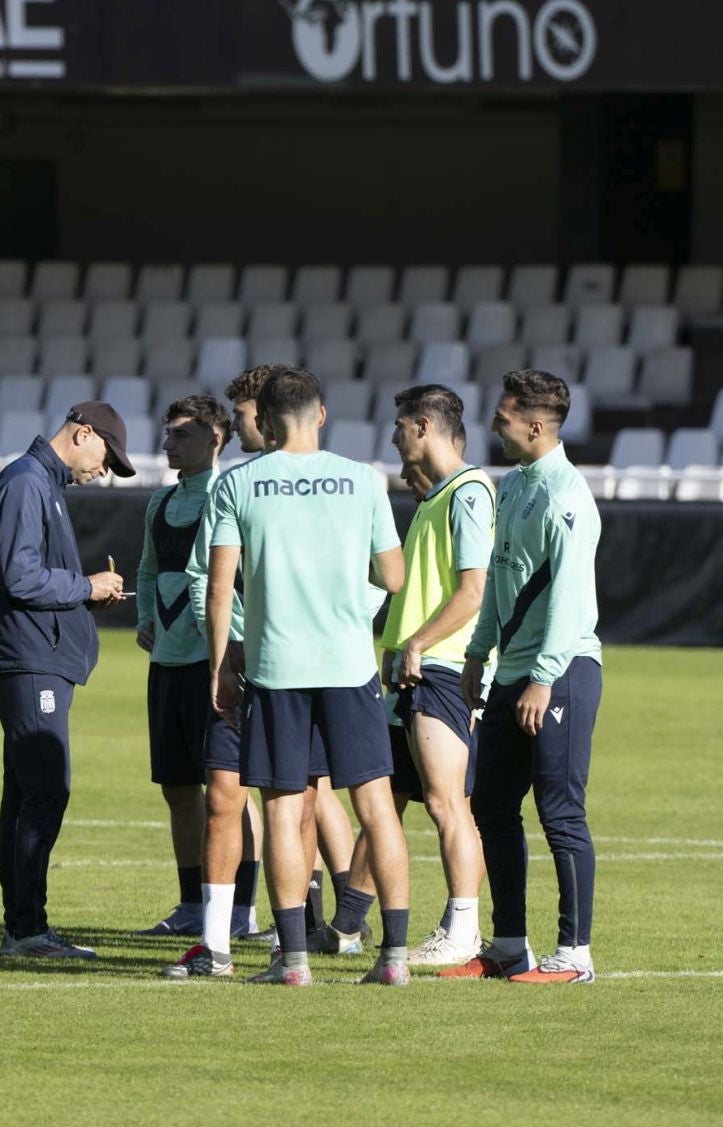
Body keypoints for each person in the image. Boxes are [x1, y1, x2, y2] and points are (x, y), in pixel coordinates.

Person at [204, 368, 409, 986]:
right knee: (376, 809)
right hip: (347, 665)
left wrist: (220, 667)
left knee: (285, 811)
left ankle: (293, 961)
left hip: (277, 666)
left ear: (263, 420)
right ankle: (394, 959)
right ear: (321, 415)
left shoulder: (239, 483)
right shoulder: (363, 480)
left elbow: (219, 589)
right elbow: (394, 578)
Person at [317, 385, 495, 966]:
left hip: (441, 667)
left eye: (399, 426)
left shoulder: (469, 493)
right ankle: (347, 925)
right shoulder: (434, 498)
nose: (393, 436)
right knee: (384, 799)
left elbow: (474, 592)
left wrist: (417, 642)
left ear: (423, 426)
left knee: (447, 804)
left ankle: (462, 929)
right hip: (409, 670)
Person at [444, 369, 604, 984]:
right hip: (513, 669)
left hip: (560, 672)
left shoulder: (566, 495)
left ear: (536, 426)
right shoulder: (512, 487)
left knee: (560, 811)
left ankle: (575, 955)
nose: (495, 425)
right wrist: (478, 653)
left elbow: (569, 600)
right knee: (491, 804)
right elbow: (499, 582)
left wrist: (541, 677)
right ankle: (510, 945)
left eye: (504, 416)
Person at [0, 401, 132, 959]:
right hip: (30, 658)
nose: (106, 469)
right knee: (44, 789)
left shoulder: (43, 485)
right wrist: (85, 587)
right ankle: (26, 929)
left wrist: (86, 594)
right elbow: (18, 575)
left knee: (26, 791)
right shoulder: (26, 483)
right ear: (83, 433)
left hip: (37, 654)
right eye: (107, 455)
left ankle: (23, 925)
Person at [133, 394, 261, 938]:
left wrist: (229, 646)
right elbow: (146, 569)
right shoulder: (160, 502)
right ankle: (191, 906)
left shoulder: (230, 495)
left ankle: (240, 909)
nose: (167, 444)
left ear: (215, 438)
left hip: (217, 662)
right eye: (166, 434)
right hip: (168, 662)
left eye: (180, 434)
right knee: (178, 788)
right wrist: (145, 617)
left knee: (228, 790)